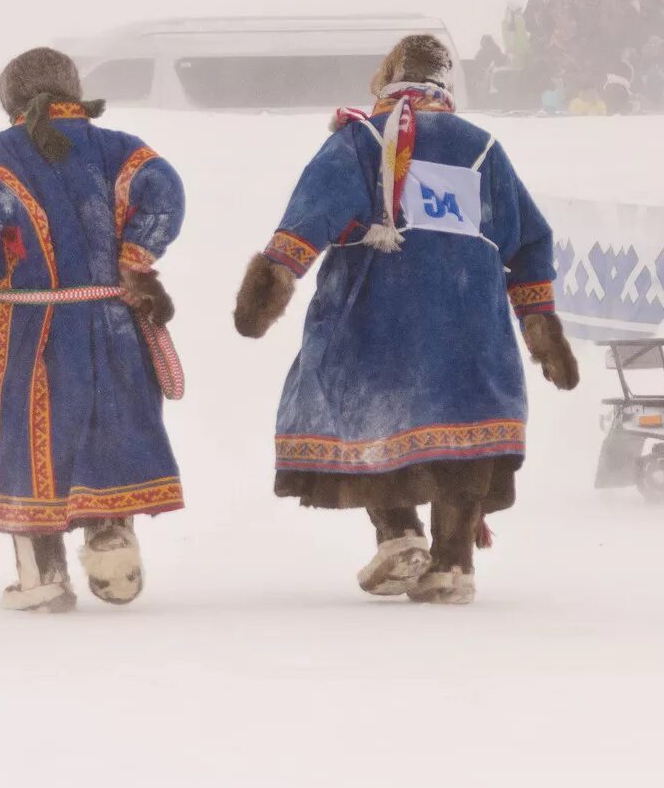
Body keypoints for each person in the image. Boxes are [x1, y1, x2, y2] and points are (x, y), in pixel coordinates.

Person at [231, 34, 577, 606]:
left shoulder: (362, 139)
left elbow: (312, 212)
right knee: (459, 430)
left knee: (364, 415)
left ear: (387, 77)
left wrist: (274, 277)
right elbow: (529, 241)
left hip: (376, 313)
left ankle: (398, 534)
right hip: (468, 320)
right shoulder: (482, 147)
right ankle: (452, 564)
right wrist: (539, 324)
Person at [0, 47, 186, 612]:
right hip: (114, 324)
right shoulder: (122, 150)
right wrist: (135, 260)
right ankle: (110, 539)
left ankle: (44, 576)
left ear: (11, 100)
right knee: (109, 425)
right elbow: (166, 190)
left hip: (29, 332)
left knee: (26, 441)